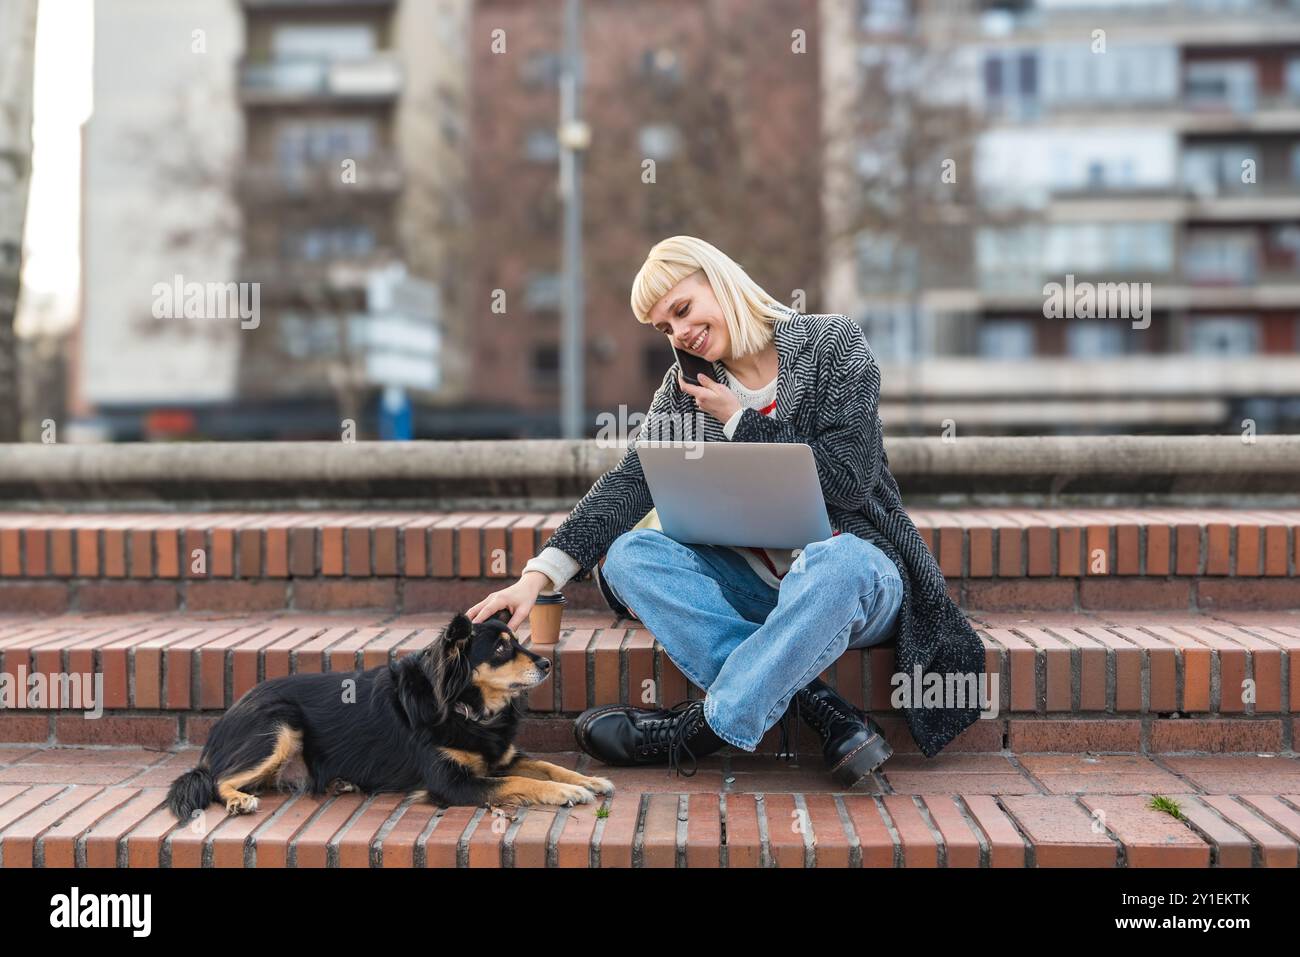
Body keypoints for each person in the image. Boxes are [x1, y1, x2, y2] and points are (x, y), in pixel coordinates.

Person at [467, 235, 984, 787]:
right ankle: (816, 706)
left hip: (852, 586)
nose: (680, 333)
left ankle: (701, 729)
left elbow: (851, 482)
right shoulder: (686, 389)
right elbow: (629, 484)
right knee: (627, 556)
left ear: (719, 280)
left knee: (839, 564)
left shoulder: (833, 345)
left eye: (683, 310)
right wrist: (536, 576)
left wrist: (741, 421)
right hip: (761, 590)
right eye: (665, 327)